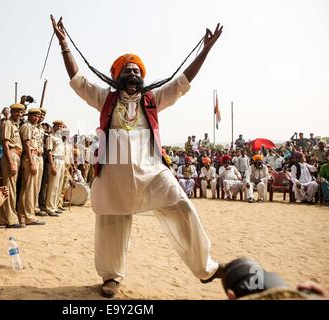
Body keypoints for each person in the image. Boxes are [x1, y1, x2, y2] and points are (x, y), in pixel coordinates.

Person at [52, 15, 224, 298]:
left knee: (182, 206)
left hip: (152, 172)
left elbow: (182, 82)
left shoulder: (153, 99)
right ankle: (111, 278)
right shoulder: (105, 98)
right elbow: (78, 81)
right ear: (117, 75)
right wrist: (63, 44)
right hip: (113, 174)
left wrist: (204, 49)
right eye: (127, 71)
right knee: (111, 225)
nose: (133, 74)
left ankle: (206, 268)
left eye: (137, 71)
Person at [17, 108, 46, 226]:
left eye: (38, 116)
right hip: (31, 157)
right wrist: (31, 161)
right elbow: (27, 145)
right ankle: (27, 216)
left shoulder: (37, 128)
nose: (37, 118)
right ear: (29, 115)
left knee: (34, 188)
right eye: (34, 115)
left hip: (38, 156)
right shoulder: (27, 126)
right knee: (29, 187)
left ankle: (28, 214)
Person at [0, 104, 24, 228]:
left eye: (21, 112)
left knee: (11, 187)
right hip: (11, 157)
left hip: (15, 157)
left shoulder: (15, 125)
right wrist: (11, 163)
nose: (19, 114)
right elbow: (5, 144)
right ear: (12, 112)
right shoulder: (7, 123)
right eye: (17, 112)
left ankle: (4, 218)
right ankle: (10, 219)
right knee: (9, 188)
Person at [45, 120, 66, 216]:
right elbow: (49, 152)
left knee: (59, 185)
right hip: (55, 160)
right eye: (57, 126)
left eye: (61, 126)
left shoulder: (61, 139)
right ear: (53, 127)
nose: (59, 128)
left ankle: (55, 206)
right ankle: (50, 207)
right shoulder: (51, 137)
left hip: (62, 161)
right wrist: (52, 165)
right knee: (53, 185)